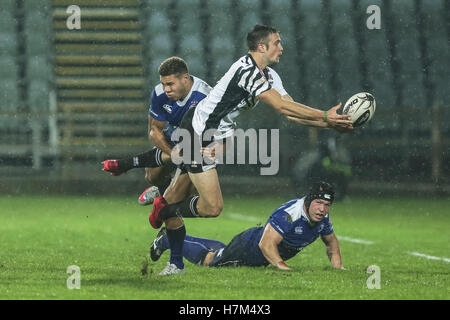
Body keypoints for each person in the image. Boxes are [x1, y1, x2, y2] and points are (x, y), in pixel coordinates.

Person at [147, 24, 353, 275]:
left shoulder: (270, 75)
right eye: (277, 43)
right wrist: (324, 115)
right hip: (198, 132)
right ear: (261, 47)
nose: (282, 47)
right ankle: (166, 220)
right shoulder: (247, 70)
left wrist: (328, 123)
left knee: (184, 199)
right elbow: (281, 107)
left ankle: (168, 231)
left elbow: (290, 110)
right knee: (211, 207)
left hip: (212, 136)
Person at [151, 181, 343, 275]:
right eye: (318, 203)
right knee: (208, 261)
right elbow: (266, 244)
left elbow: (331, 242)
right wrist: (282, 267)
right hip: (248, 248)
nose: (322, 209)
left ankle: (171, 237)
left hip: (252, 248)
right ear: (309, 201)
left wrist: (338, 268)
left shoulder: (322, 217)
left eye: (327, 205)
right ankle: (167, 239)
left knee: (220, 250)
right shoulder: (290, 214)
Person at [102, 56, 215, 204]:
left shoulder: (205, 97)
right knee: (152, 176)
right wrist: (172, 153)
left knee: (179, 195)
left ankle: (167, 196)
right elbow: (154, 129)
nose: (166, 89)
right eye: (163, 84)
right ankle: (163, 190)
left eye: (170, 84)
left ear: (185, 79)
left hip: (202, 143)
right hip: (175, 135)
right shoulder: (159, 93)